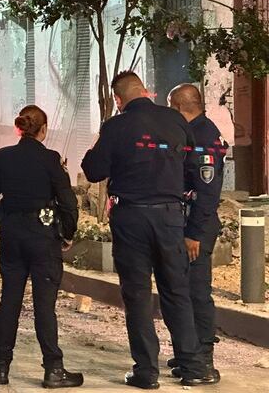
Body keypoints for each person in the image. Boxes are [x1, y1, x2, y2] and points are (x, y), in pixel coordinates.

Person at [81, 71, 216, 388]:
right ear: (145, 91)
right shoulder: (176, 121)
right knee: (177, 291)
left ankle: (146, 372)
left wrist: (104, 144)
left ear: (118, 99)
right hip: (170, 217)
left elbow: (93, 169)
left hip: (131, 219)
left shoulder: (115, 126)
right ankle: (194, 366)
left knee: (138, 295)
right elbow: (193, 168)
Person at [0, 105, 83, 389]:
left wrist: (0, 221)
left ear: (19, 129)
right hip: (43, 238)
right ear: (43, 129)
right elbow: (68, 202)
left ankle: (1, 368)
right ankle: (53, 370)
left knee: (9, 302)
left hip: (12, 237)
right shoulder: (50, 160)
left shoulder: (2, 157)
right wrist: (67, 233)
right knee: (44, 307)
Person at [167, 84, 226, 382]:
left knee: (198, 291)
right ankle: (187, 352)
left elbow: (207, 193)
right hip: (185, 222)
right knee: (183, 290)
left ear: (179, 107)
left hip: (196, 227)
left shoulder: (204, 137)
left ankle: (203, 358)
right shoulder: (193, 133)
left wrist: (194, 233)